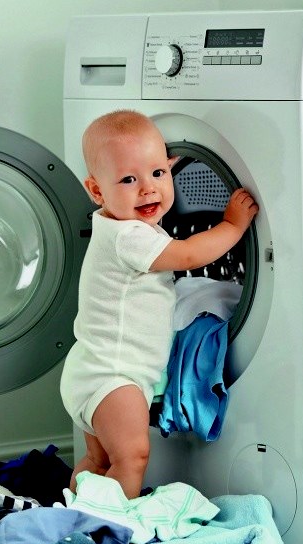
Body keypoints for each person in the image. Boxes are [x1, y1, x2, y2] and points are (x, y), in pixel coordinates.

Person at [60, 109, 258, 499]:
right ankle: (118, 523)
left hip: (91, 371)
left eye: (157, 173)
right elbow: (187, 255)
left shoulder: (114, 226)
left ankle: (77, 514)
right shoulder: (129, 237)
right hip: (115, 379)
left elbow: (146, 179)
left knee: (99, 461)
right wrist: (233, 225)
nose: (148, 189)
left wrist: (151, 169)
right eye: (129, 180)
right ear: (97, 191)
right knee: (132, 457)